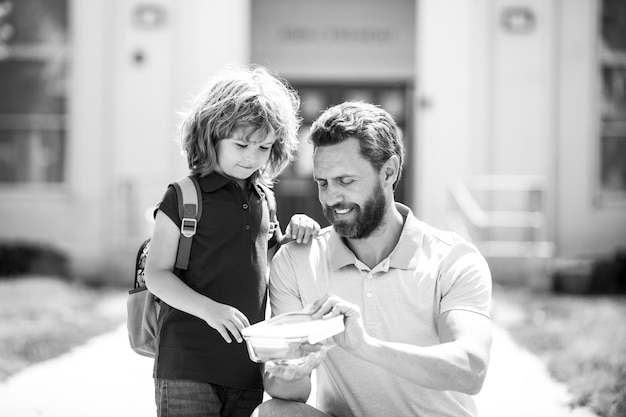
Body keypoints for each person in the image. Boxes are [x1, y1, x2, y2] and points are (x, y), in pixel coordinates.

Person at [255, 101, 493, 417]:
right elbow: (290, 392)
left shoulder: (453, 259)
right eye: (323, 183)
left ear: (389, 172)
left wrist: (364, 345)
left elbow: (471, 368)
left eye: (346, 181)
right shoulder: (296, 261)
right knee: (275, 413)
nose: (330, 198)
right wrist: (291, 372)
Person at [144, 64, 320, 417]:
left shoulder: (264, 199)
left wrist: (298, 231)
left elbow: (270, 263)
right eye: (241, 144)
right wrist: (211, 310)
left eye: (265, 147)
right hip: (187, 367)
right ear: (211, 137)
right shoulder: (183, 196)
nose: (252, 157)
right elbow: (157, 274)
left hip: (248, 368)